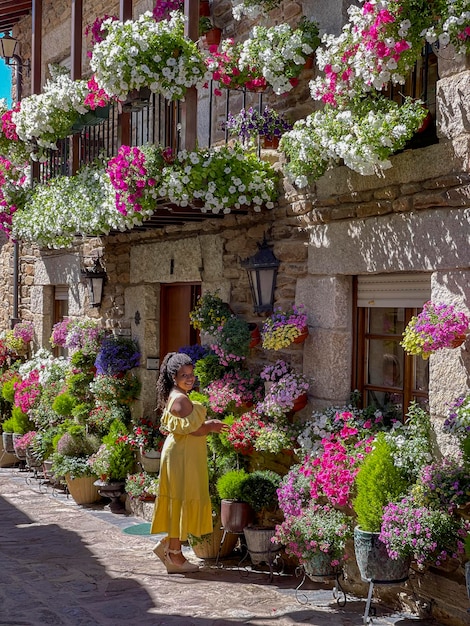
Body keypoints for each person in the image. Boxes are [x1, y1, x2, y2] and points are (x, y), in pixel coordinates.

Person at [150, 352, 227, 573]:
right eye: (184, 375)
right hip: (182, 455)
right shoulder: (182, 399)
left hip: (181, 452)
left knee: (179, 499)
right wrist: (211, 425)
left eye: (191, 374)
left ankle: (170, 546)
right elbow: (195, 429)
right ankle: (174, 555)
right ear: (174, 377)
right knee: (180, 500)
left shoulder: (177, 394)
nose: (190, 378)